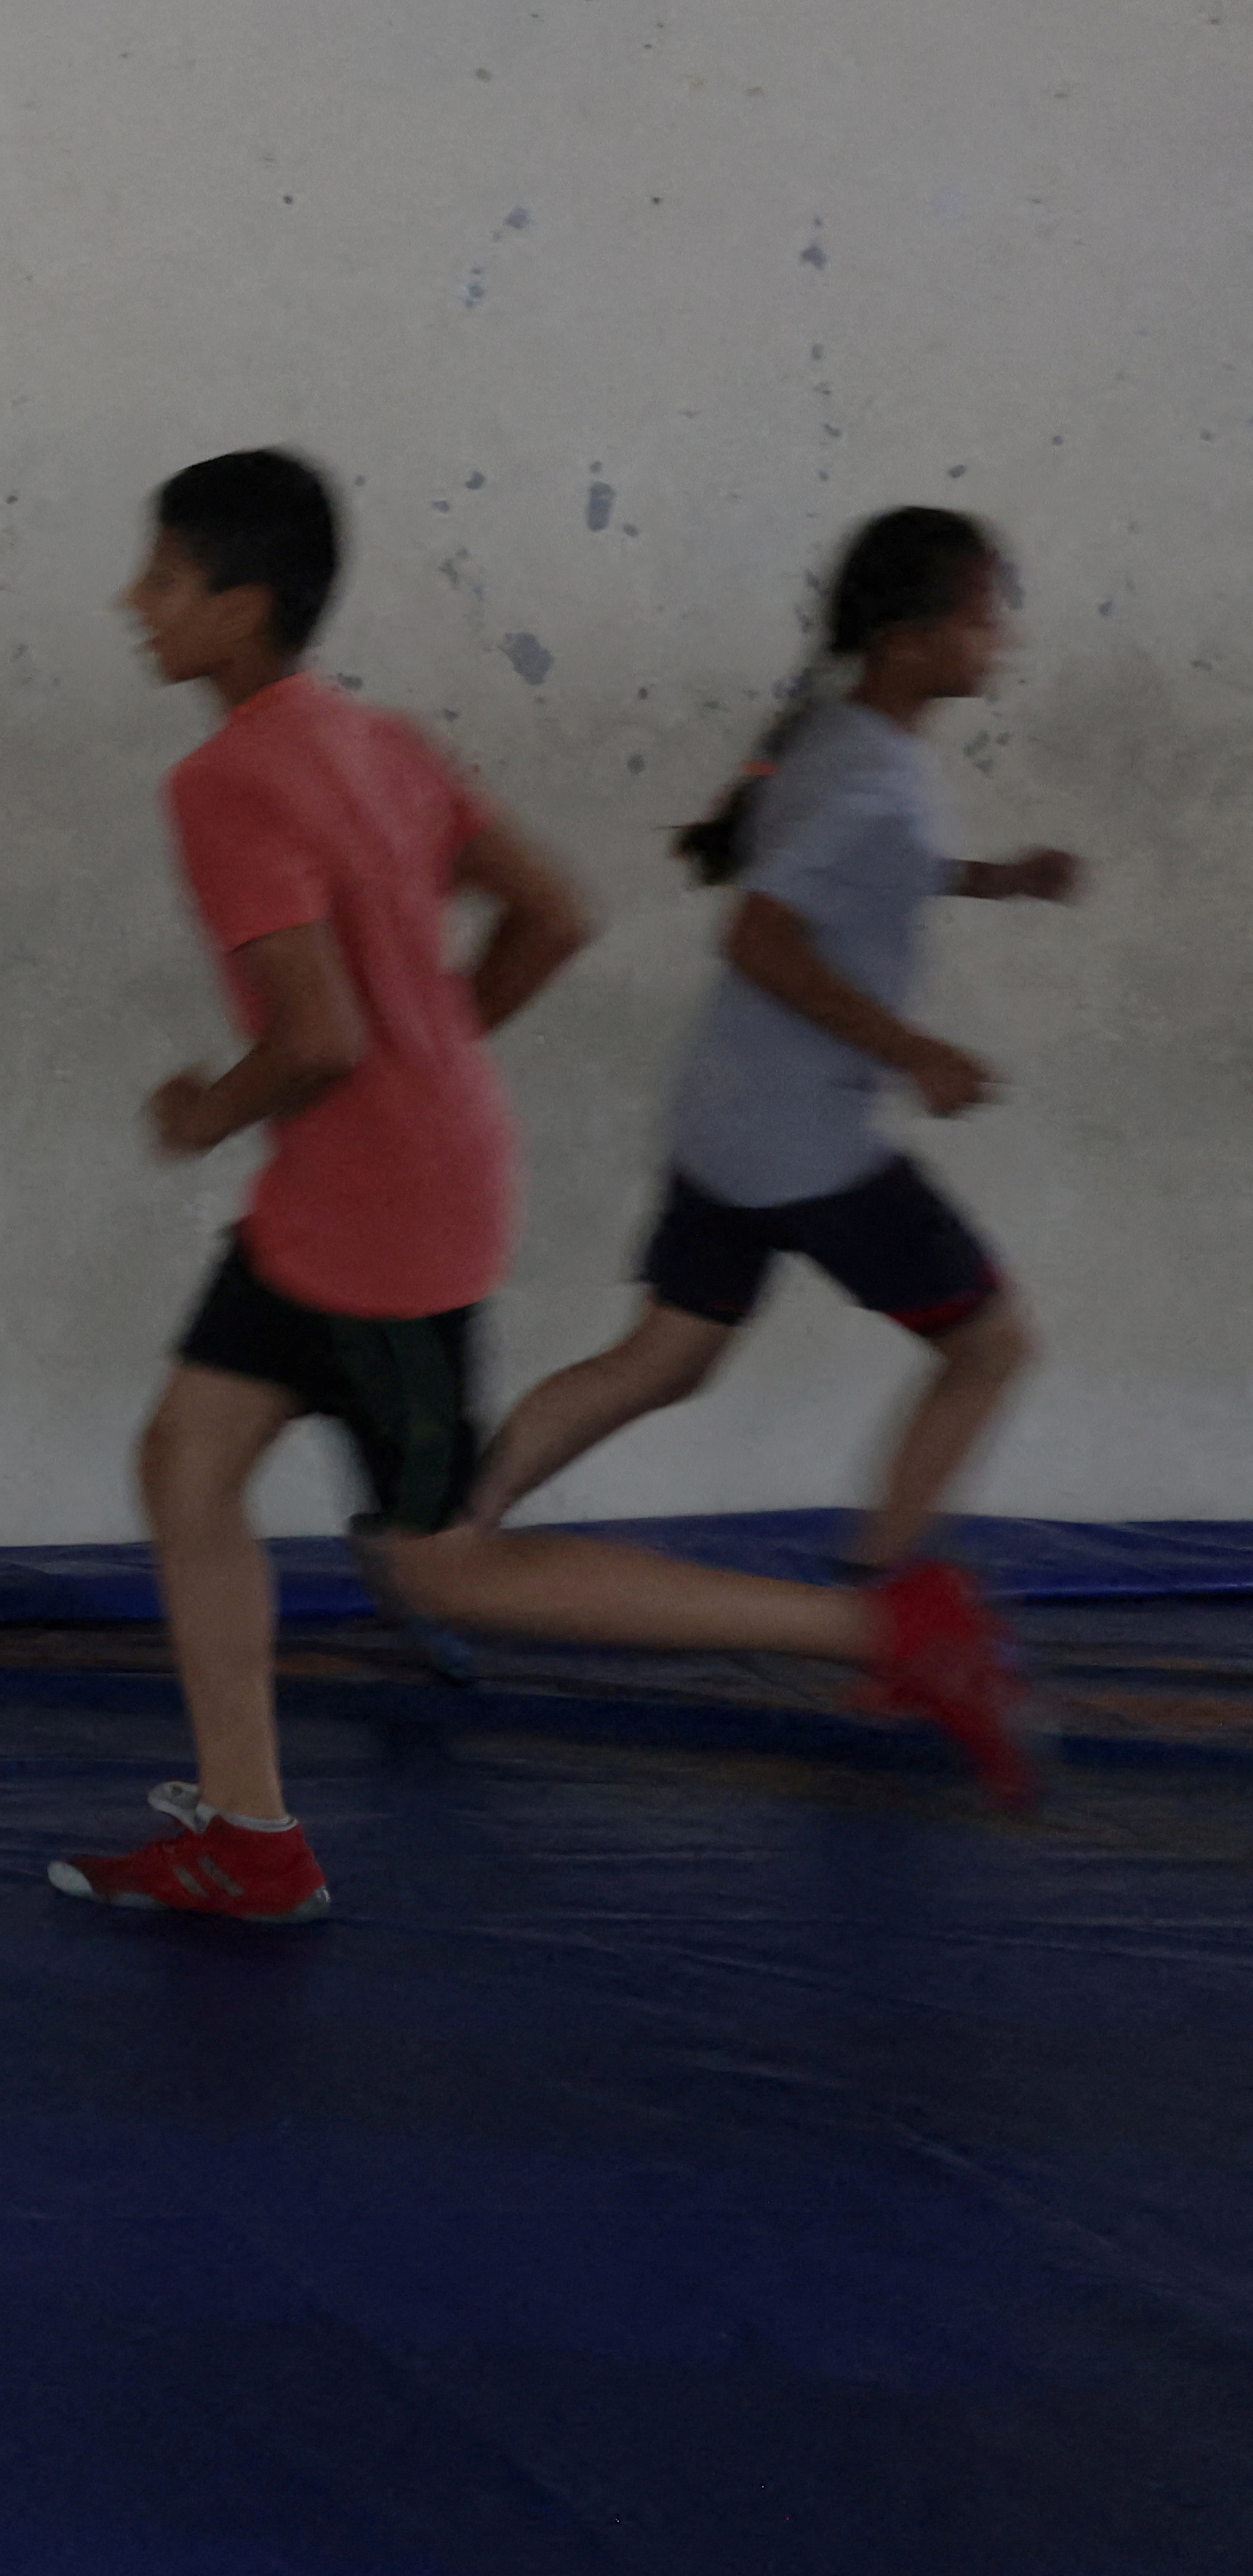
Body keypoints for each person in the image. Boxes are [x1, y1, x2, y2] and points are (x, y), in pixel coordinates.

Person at [374, 509, 1056, 1793]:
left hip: (731, 1118)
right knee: (992, 1344)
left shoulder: (843, 739)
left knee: (663, 1358)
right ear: (908, 642)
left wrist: (994, 878)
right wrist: (914, 1050)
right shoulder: (862, 770)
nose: (1000, 638)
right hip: (807, 1145)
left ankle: (442, 1542)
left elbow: (860, 868)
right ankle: (891, 1619)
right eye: (981, 615)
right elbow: (762, 937)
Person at [50, 452, 594, 1926]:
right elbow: (554, 916)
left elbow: (318, 1035)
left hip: (380, 1223)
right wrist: (446, 1047)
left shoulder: (225, 779)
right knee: (186, 1461)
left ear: (245, 605)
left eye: (164, 579)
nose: (135, 603)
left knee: (441, 1574)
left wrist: (199, 1113)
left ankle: (856, 1632)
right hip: (355, 1194)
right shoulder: (384, 740)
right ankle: (251, 1833)